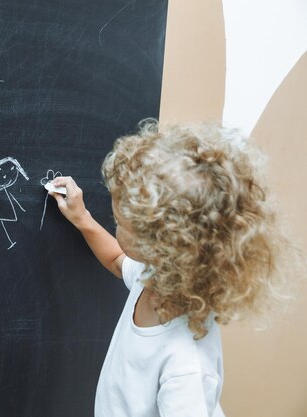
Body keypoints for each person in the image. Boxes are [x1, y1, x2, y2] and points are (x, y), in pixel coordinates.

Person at [49, 119, 300, 417]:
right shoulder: (157, 277)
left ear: (157, 247)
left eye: (120, 223)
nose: (115, 222)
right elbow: (118, 261)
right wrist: (83, 218)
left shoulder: (186, 368)